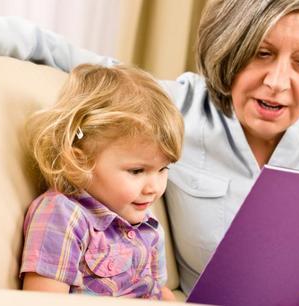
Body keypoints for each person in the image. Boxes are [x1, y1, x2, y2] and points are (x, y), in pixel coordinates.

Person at [0, 0, 299, 305]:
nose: (277, 82)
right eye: (261, 53)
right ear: (230, 49)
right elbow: (67, 55)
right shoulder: (178, 109)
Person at [19, 63, 183, 301]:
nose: (154, 188)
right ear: (80, 160)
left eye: (163, 169)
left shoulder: (148, 223)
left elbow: (157, 291)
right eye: (137, 171)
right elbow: (41, 301)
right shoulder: (64, 216)